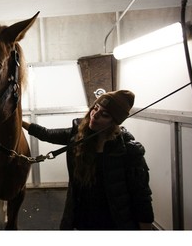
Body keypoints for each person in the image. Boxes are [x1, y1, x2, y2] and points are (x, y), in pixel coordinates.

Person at [22, 90, 154, 230]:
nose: (95, 115)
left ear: (115, 121)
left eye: (104, 115)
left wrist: (145, 227)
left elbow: (141, 195)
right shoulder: (78, 135)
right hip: (81, 216)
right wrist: (19, 121)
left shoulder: (129, 151)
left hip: (113, 221)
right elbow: (46, 134)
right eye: (95, 108)